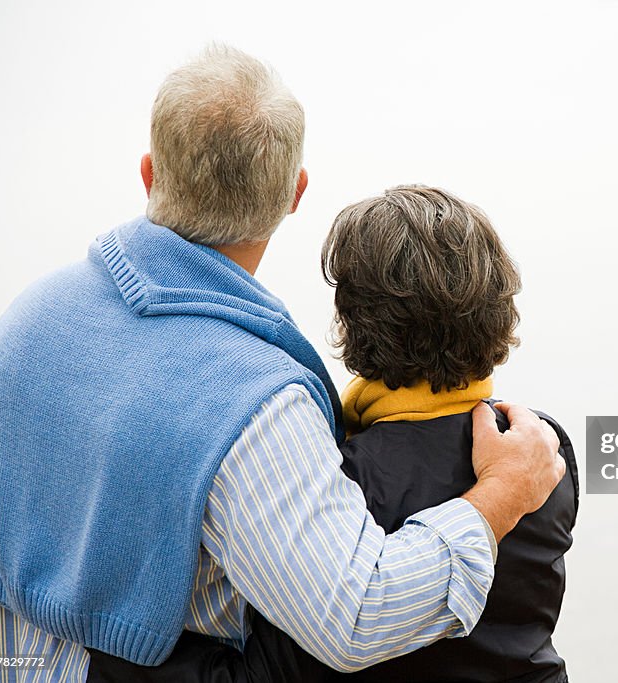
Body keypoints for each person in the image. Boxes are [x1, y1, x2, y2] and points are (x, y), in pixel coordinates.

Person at [0, 46, 565, 683]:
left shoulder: (24, 321)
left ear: (149, 173)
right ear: (294, 193)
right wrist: (503, 494)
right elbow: (357, 615)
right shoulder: (257, 403)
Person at [87, 185, 579, 682]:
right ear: (498, 309)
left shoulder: (328, 480)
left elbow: (270, 669)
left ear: (351, 322)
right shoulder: (544, 449)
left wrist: (92, 649)